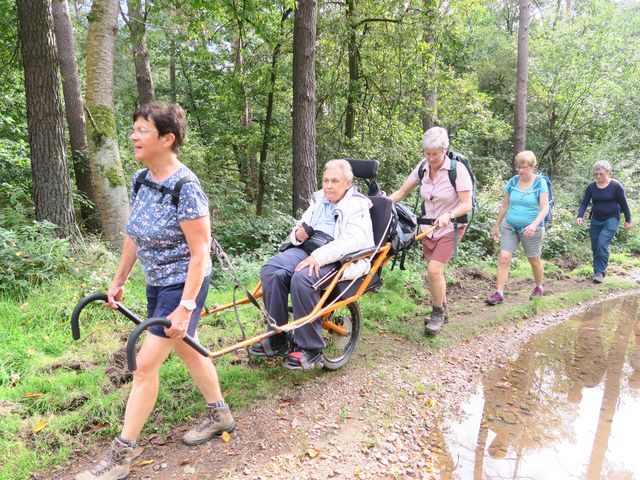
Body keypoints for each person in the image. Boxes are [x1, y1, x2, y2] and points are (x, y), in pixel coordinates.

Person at [75, 103, 234, 480]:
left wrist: (185, 306)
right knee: (187, 347)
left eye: (142, 130)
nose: (133, 136)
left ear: (168, 139)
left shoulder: (185, 186)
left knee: (145, 366)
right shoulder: (141, 179)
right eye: (133, 129)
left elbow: (200, 252)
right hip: (156, 281)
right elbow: (134, 232)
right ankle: (220, 413)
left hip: (184, 283)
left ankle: (120, 455)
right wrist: (119, 279)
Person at [248, 159, 374, 370]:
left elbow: (352, 241)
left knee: (303, 278)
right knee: (271, 270)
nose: (329, 186)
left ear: (347, 183)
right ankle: (277, 337)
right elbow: (298, 231)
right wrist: (298, 235)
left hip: (338, 256)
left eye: (335, 181)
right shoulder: (319, 200)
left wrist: (319, 257)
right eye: (326, 180)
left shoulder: (358, 205)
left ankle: (311, 349)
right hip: (308, 248)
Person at [389, 126, 472, 335]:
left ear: (445, 149)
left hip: (451, 227)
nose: (432, 158)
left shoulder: (457, 170)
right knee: (436, 273)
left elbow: (466, 204)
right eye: (428, 154)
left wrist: (449, 215)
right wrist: (379, 204)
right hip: (428, 228)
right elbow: (402, 192)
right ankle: (443, 309)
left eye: (436, 154)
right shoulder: (422, 168)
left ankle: (436, 313)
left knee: (434, 270)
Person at [485, 151, 549, 306]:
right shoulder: (513, 182)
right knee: (504, 258)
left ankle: (539, 286)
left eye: (524, 167)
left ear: (533, 166)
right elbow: (505, 205)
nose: (521, 170)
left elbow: (545, 208)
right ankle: (499, 293)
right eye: (519, 167)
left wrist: (533, 225)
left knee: (533, 259)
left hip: (532, 228)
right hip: (511, 226)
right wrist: (496, 226)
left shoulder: (540, 182)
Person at [575, 160, 632, 283]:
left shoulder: (616, 186)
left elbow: (624, 203)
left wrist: (628, 220)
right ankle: (597, 270)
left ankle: (600, 272)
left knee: (602, 243)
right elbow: (585, 202)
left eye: (601, 174)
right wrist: (580, 216)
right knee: (595, 246)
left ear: (608, 172)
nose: (598, 176)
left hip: (612, 218)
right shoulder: (591, 187)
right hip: (596, 219)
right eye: (596, 174)